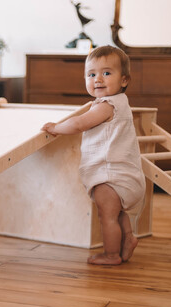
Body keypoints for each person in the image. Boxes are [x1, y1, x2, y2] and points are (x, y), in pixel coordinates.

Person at [41, 45, 145, 265]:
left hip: (110, 175)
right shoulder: (120, 103)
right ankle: (128, 239)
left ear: (124, 80)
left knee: (106, 216)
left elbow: (80, 123)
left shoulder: (106, 106)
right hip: (125, 177)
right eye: (91, 74)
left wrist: (57, 128)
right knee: (116, 213)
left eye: (106, 73)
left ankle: (111, 255)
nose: (98, 79)